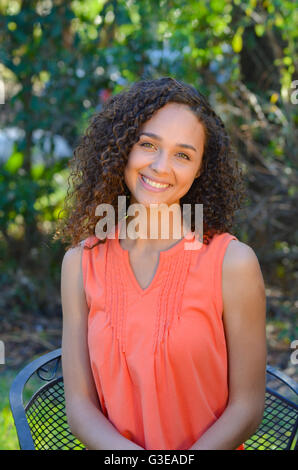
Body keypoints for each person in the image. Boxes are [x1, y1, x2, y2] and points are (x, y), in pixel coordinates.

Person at [56, 77, 267, 450]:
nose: (160, 166)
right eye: (148, 144)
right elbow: (79, 406)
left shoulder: (232, 264)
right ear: (123, 147)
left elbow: (247, 407)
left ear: (200, 168)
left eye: (183, 154)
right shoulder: (79, 263)